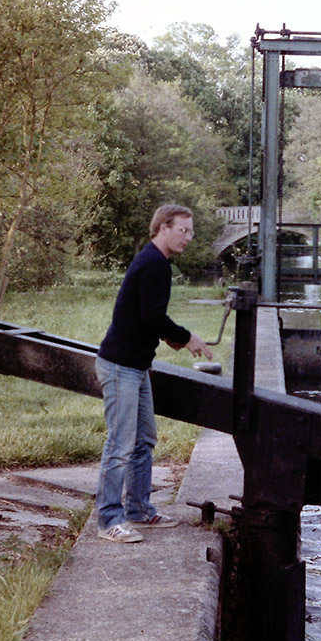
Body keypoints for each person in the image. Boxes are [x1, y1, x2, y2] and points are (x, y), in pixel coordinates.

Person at [94, 204, 212, 543]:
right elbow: (152, 316)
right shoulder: (154, 264)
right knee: (120, 444)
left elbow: (146, 316)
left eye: (191, 231)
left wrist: (169, 336)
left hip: (136, 365)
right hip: (120, 367)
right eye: (183, 230)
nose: (188, 237)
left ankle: (139, 510)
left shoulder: (156, 262)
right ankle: (109, 520)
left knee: (143, 439)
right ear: (162, 227)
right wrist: (186, 337)